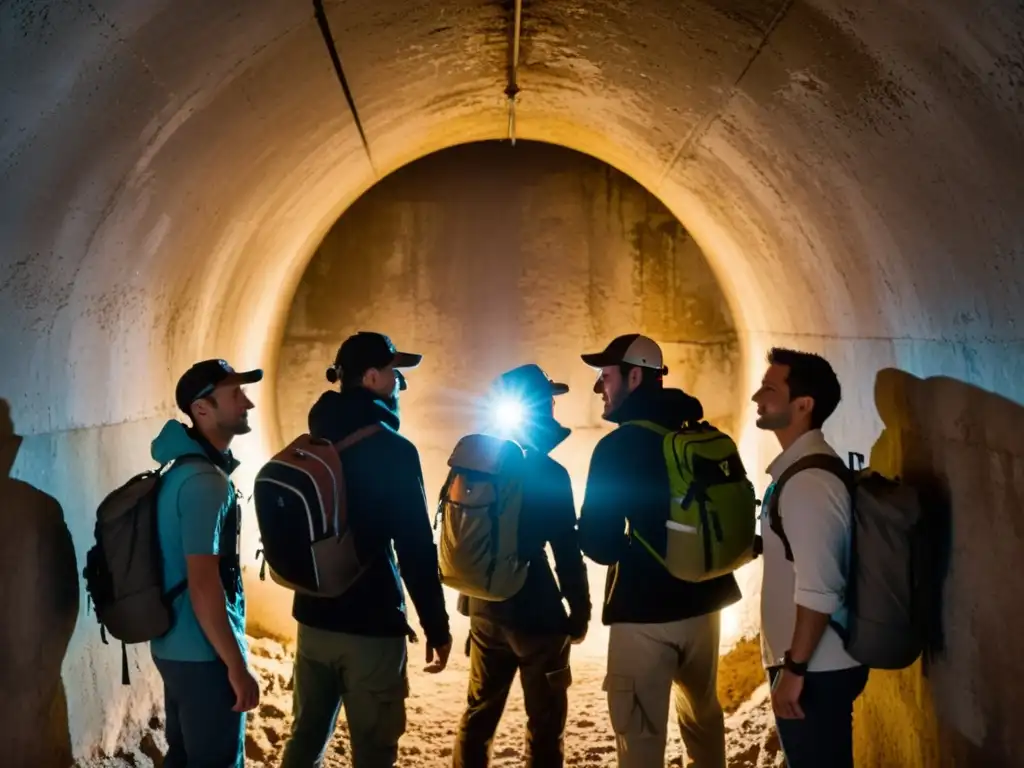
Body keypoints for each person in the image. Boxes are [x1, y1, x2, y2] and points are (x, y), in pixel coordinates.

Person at [280, 331, 452, 768]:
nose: (400, 385)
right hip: (371, 625)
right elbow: (414, 544)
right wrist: (436, 624)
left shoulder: (312, 445)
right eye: (396, 374)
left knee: (304, 742)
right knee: (374, 751)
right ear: (372, 377)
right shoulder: (394, 451)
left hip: (313, 620)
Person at [578, 334, 740, 768]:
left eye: (604, 377)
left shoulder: (616, 448)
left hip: (644, 615)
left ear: (635, 375)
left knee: (640, 733)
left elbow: (599, 543)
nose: (599, 388)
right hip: (706, 604)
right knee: (702, 715)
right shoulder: (698, 432)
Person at [452, 364, 591, 768]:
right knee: (545, 724)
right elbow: (566, 549)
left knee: (478, 716)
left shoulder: (475, 467)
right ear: (542, 407)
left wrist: (469, 606)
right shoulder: (550, 473)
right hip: (537, 614)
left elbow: (472, 538)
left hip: (485, 611)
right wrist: (579, 611)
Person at [752, 347, 868, 767]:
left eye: (768, 388)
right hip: (814, 664)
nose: (756, 397)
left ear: (803, 405)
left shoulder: (809, 483)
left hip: (817, 668)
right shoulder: (798, 472)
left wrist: (793, 671)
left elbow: (821, 588)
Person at [151, 358, 264, 768]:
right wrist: (236, 665)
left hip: (175, 645)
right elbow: (203, 583)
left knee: (183, 757)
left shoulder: (180, 471)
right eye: (235, 395)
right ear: (202, 409)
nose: (247, 403)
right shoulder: (205, 483)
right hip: (202, 653)